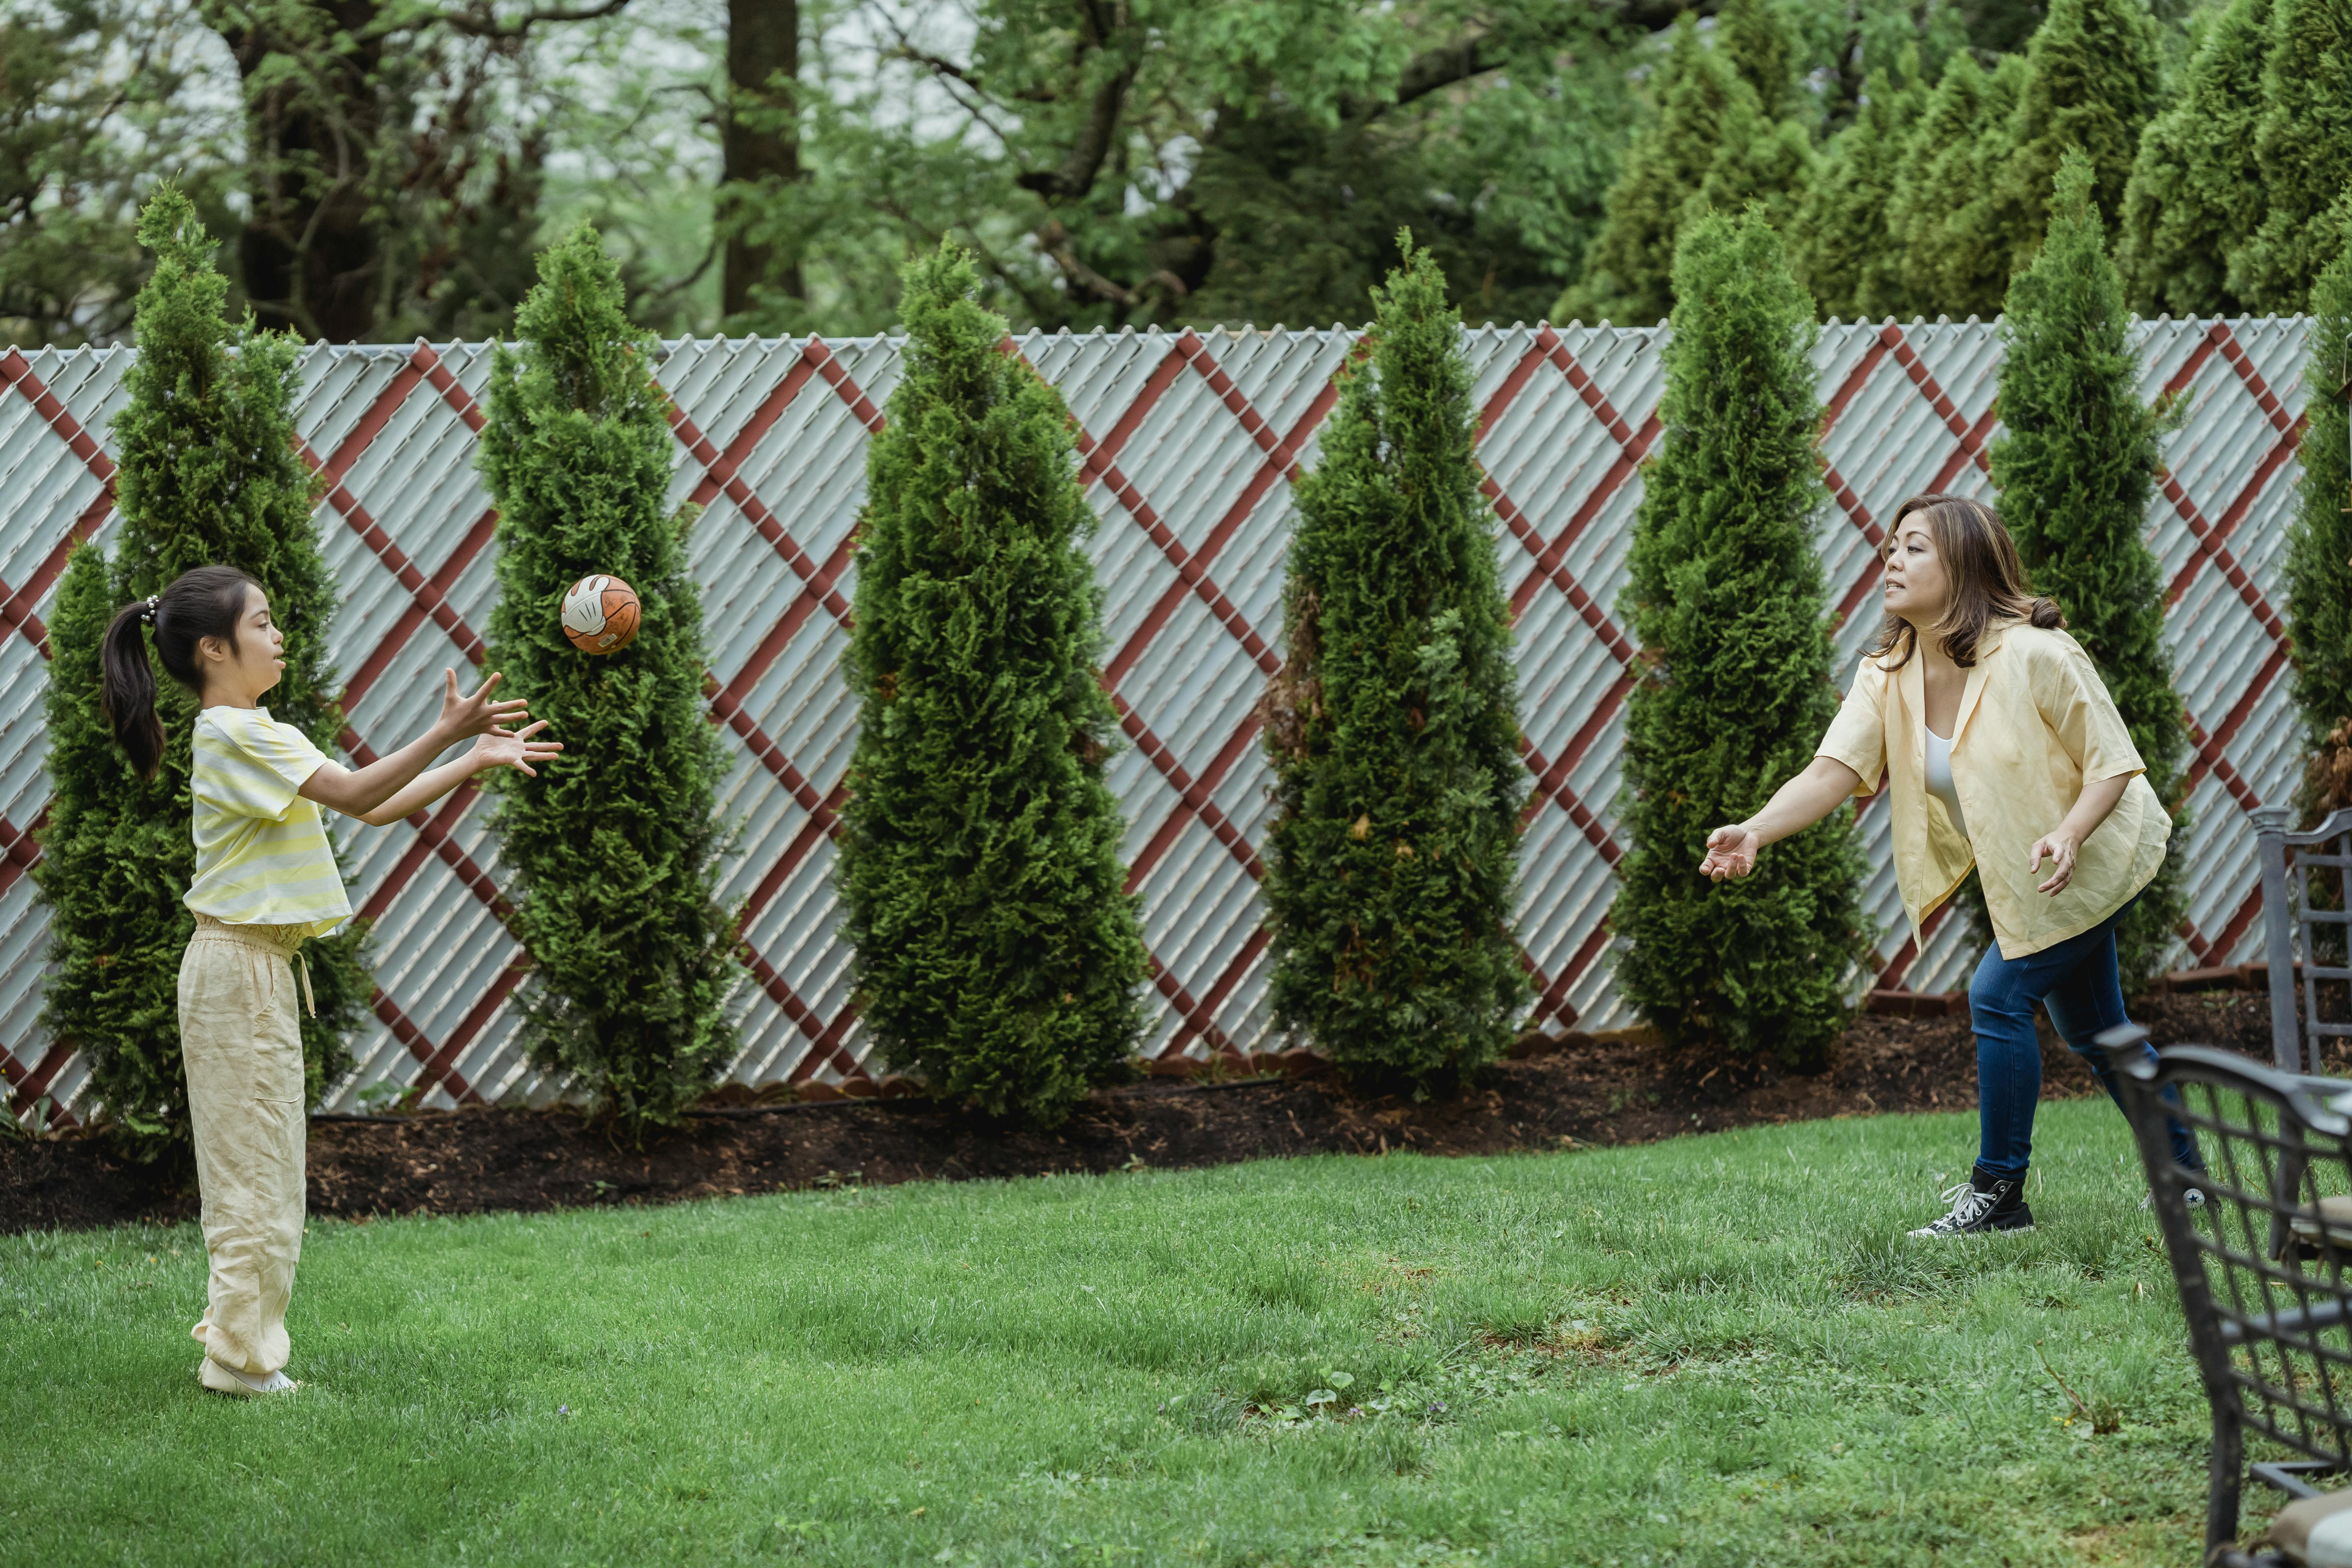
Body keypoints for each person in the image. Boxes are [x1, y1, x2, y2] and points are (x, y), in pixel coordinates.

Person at [100, 565, 561, 1395]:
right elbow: (355, 792)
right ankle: (239, 1363)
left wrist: (474, 758)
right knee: (254, 1174)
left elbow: (373, 805)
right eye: (264, 624)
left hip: (252, 966)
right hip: (238, 968)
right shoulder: (237, 732)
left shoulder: (249, 729)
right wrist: (448, 733)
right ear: (215, 647)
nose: (280, 637)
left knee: (264, 1168)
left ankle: (236, 1337)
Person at [1697, 494, 2201, 1238]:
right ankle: (2189, 1183)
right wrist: (1756, 832)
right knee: (2099, 1032)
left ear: (1963, 564)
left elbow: (2113, 765)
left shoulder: (2038, 652)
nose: (1892, 560)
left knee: (1997, 995)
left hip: (2096, 854)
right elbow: (1832, 771)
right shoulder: (1890, 670)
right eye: (1891, 547)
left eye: (1913, 548)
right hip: (2031, 876)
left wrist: (2066, 833)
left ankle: (1999, 1196)